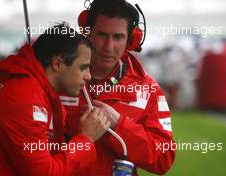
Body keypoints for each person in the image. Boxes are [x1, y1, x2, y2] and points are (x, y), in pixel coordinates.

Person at [62, 0, 176, 175]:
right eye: (102, 35)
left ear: (131, 40)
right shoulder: (59, 78)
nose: (108, 47)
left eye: (118, 37)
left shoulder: (148, 88)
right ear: (88, 33)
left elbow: (163, 157)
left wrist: (119, 124)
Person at [0, 22, 110, 175]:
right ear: (57, 64)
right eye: (83, 67)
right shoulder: (26, 100)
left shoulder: (36, 92)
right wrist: (85, 139)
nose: (88, 76)